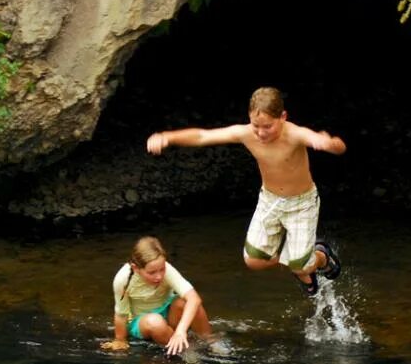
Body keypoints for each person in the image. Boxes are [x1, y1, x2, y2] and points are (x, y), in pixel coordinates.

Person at [146, 86, 345, 296]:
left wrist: (329, 144)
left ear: (283, 117)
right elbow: (204, 136)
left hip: (301, 203)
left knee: (301, 265)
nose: (260, 132)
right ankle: (298, 261)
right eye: (255, 125)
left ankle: (320, 255)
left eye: (267, 126)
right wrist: (167, 137)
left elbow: (340, 147)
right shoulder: (246, 134)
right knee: (254, 261)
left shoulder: (296, 134)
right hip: (270, 200)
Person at [100, 236, 213, 356]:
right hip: (143, 321)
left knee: (185, 303)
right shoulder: (122, 279)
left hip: (169, 314)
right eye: (152, 272)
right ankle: (186, 351)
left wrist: (181, 330)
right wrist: (120, 340)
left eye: (162, 269)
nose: (159, 276)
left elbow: (194, 298)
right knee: (155, 322)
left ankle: (210, 342)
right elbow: (121, 315)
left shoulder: (167, 270)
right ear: (136, 268)